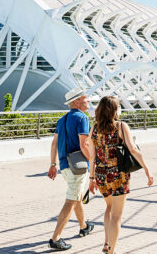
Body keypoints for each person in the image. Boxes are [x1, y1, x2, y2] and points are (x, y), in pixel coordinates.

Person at [88, 96, 154, 254]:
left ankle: (106, 243)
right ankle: (111, 250)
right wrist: (146, 169)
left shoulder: (94, 128)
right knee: (117, 215)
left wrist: (91, 179)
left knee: (109, 207)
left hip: (101, 175)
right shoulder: (121, 126)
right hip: (118, 176)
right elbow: (132, 149)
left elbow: (92, 156)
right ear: (114, 110)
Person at [47, 88, 95, 251]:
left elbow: (54, 143)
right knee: (71, 200)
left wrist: (53, 165)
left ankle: (83, 226)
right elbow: (84, 144)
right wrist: (93, 161)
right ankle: (55, 238)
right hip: (78, 166)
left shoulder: (62, 119)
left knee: (77, 196)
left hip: (65, 166)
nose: (88, 101)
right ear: (77, 102)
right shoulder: (82, 118)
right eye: (85, 99)